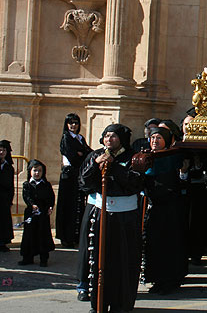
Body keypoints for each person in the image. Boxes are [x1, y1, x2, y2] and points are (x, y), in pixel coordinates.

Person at [78, 124, 143, 313]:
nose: (109, 140)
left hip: (125, 218)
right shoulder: (96, 155)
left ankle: (121, 304)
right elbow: (83, 181)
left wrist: (114, 167)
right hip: (101, 213)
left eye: (113, 136)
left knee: (123, 261)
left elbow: (134, 182)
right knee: (99, 259)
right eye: (106, 136)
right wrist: (95, 164)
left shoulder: (133, 157)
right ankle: (98, 303)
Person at [143, 126, 189, 294]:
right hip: (154, 208)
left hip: (170, 209)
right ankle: (157, 279)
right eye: (153, 138)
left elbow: (180, 182)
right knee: (154, 245)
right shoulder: (146, 157)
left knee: (169, 245)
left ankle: (170, 280)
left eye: (159, 138)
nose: (155, 141)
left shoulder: (173, 157)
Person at [56, 113, 92, 248]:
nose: (73, 125)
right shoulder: (66, 138)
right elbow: (72, 156)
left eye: (76, 123)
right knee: (68, 205)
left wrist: (82, 153)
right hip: (69, 175)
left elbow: (87, 152)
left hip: (78, 174)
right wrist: (80, 154)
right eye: (71, 123)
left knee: (78, 205)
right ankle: (66, 236)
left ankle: (76, 235)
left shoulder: (80, 138)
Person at [18, 159, 55, 267]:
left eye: (39, 171)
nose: (37, 173)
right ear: (30, 171)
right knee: (29, 235)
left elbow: (51, 197)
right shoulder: (27, 185)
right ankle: (27, 257)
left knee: (42, 235)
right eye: (35, 170)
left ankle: (44, 259)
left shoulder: (46, 184)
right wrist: (32, 204)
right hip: (31, 213)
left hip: (43, 213)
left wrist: (50, 207)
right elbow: (26, 196)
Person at [0, 139, 14, 252]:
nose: (2, 152)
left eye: (4, 150)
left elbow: (11, 185)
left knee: (3, 220)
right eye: (0, 150)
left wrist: (10, 199)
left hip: (4, 197)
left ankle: (2, 243)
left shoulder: (9, 167)